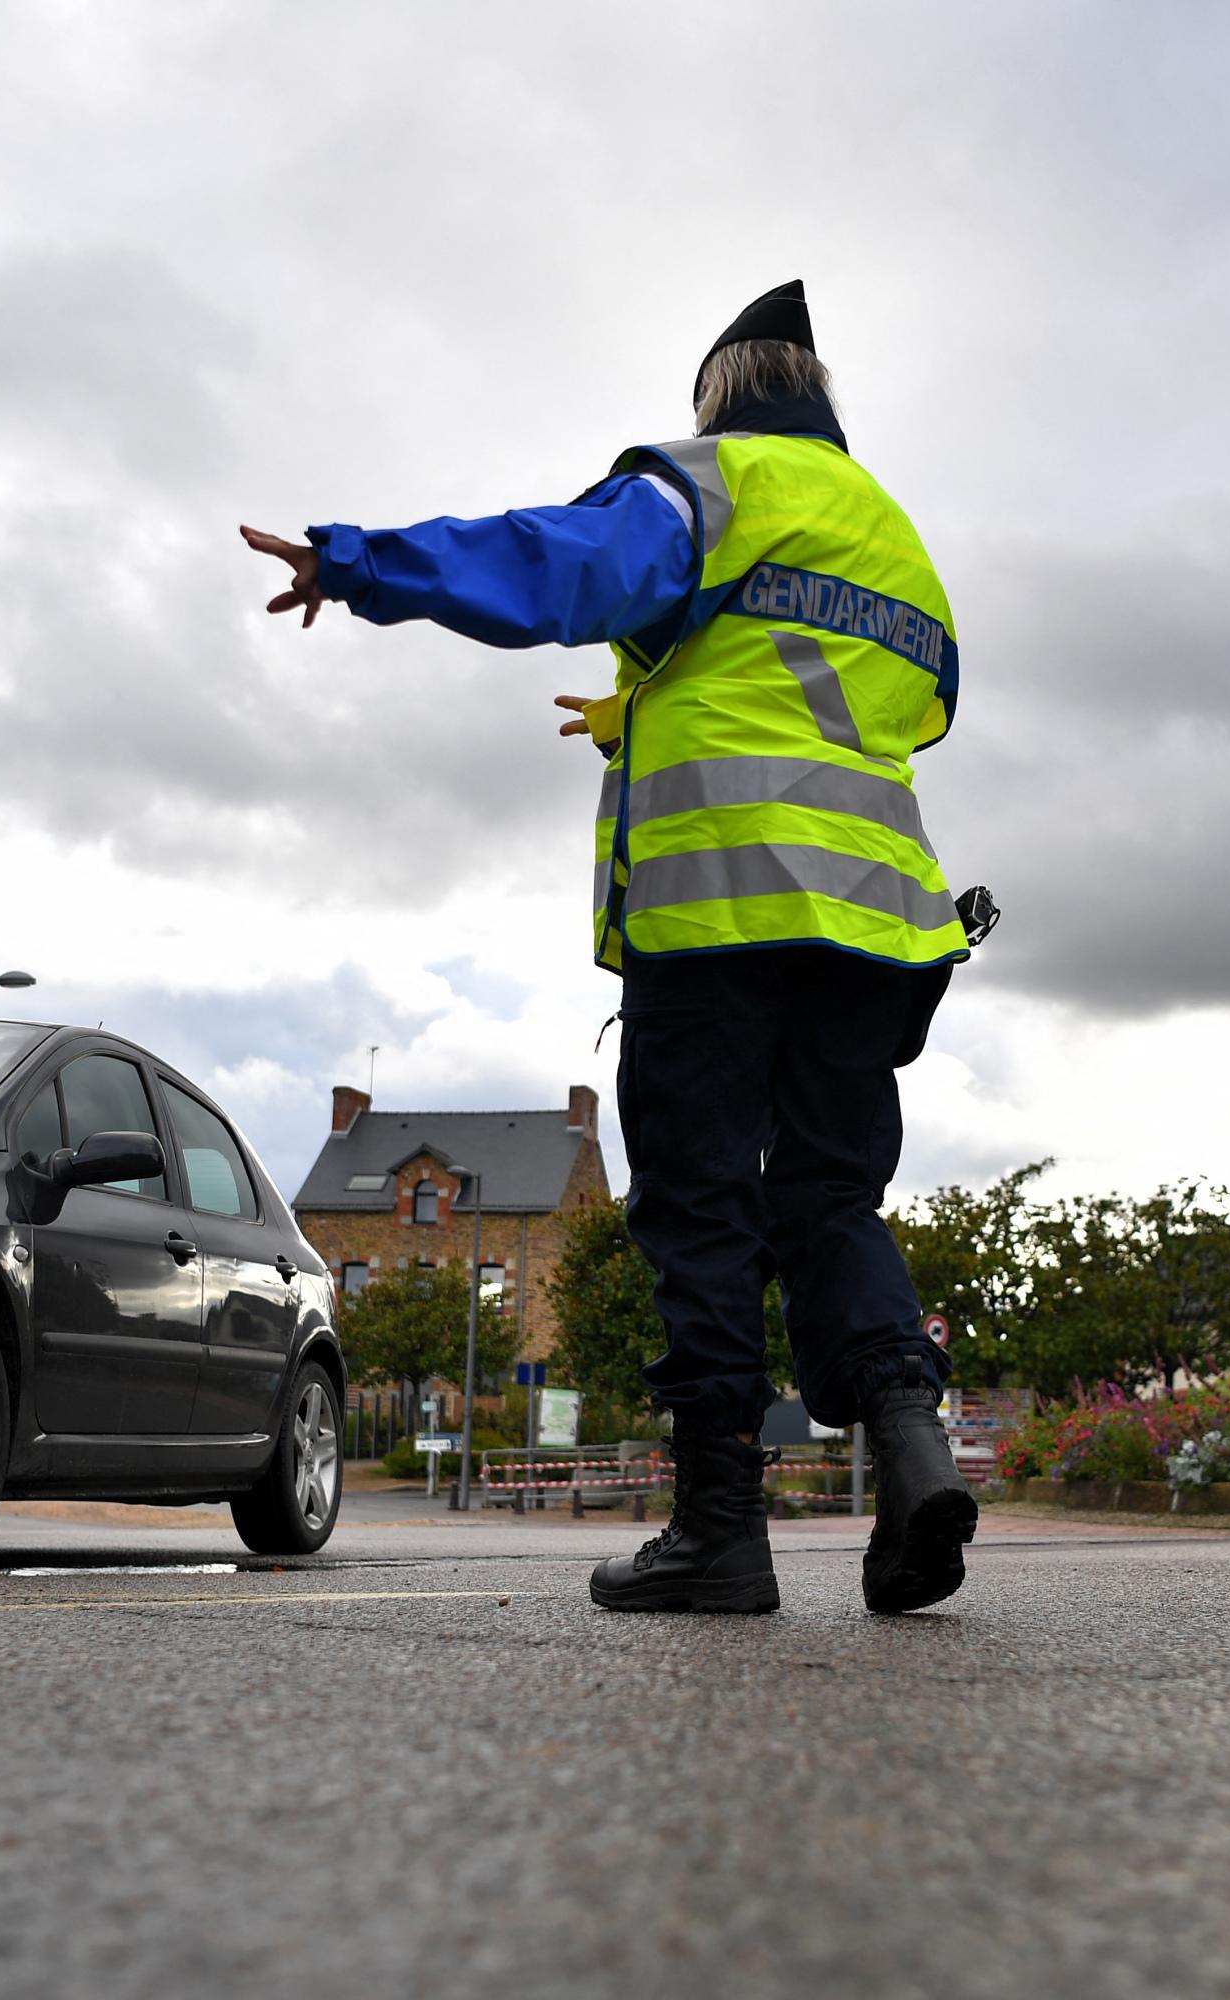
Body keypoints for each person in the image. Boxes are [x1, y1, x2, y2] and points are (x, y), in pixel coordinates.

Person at [244, 281, 978, 1615]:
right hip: (877, 926)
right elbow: (899, 709)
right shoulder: (898, 539)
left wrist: (360, 563)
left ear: (718, 399)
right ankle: (914, 1446)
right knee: (826, 1203)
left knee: (698, 1204)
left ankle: (718, 1536)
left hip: (719, 911)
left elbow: (559, 566)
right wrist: (648, 697)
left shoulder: (709, 483)